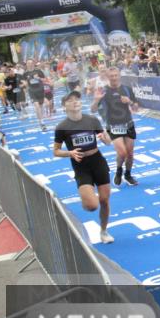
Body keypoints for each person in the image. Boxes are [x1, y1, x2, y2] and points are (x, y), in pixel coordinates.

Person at [53, 91, 114, 243]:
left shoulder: (92, 120)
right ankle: (86, 197)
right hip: (80, 166)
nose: (75, 102)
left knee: (105, 201)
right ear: (64, 106)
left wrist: (105, 137)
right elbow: (56, 151)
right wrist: (70, 153)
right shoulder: (62, 127)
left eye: (77, 99)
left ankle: (104, 231)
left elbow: (107, 142)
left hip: (98, 161)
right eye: (70, 100)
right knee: (92, 205)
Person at [91, 67, 140, 186]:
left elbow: (136, 108)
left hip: (128, 124)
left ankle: (128, 175)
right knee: (122, 153)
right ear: (107, 77)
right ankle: (119, 171)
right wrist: (96, 100)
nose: (114, 78)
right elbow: (93, 110)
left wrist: (129, 102)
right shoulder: (103, 91)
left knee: (130, 154)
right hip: (113, 125)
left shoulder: (127, 89)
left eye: (116, 75)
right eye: (111, 76)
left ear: (119, 76)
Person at [21, 59, 49, 131]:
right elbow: (25, 84)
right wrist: (25, 82)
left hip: (40, 90)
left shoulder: (38, 71)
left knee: (41, 107)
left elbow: (45, 80)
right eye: (28, 63)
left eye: (31, 63)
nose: (30, 64)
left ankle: (41, 119)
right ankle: (42, 123)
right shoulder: (25, 74)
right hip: (32, 91)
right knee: (37, 106)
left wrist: (38, 78)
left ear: (33, 63)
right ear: (26, 64)